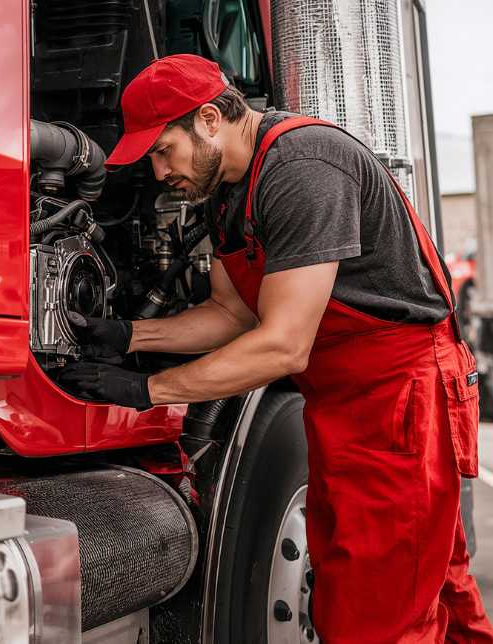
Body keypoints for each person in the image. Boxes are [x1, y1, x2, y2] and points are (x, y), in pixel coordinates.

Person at [60, 53, 493, 642]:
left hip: (400, 399)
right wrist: (129, 335)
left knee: (375, 617)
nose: (159, 173)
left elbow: (283, 346)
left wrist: (148, 390)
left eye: (164, 150)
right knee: (431, 584)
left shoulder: (302, 167)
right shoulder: (226, 194)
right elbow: (232, 312)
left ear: (210, 120)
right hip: (344, 400)